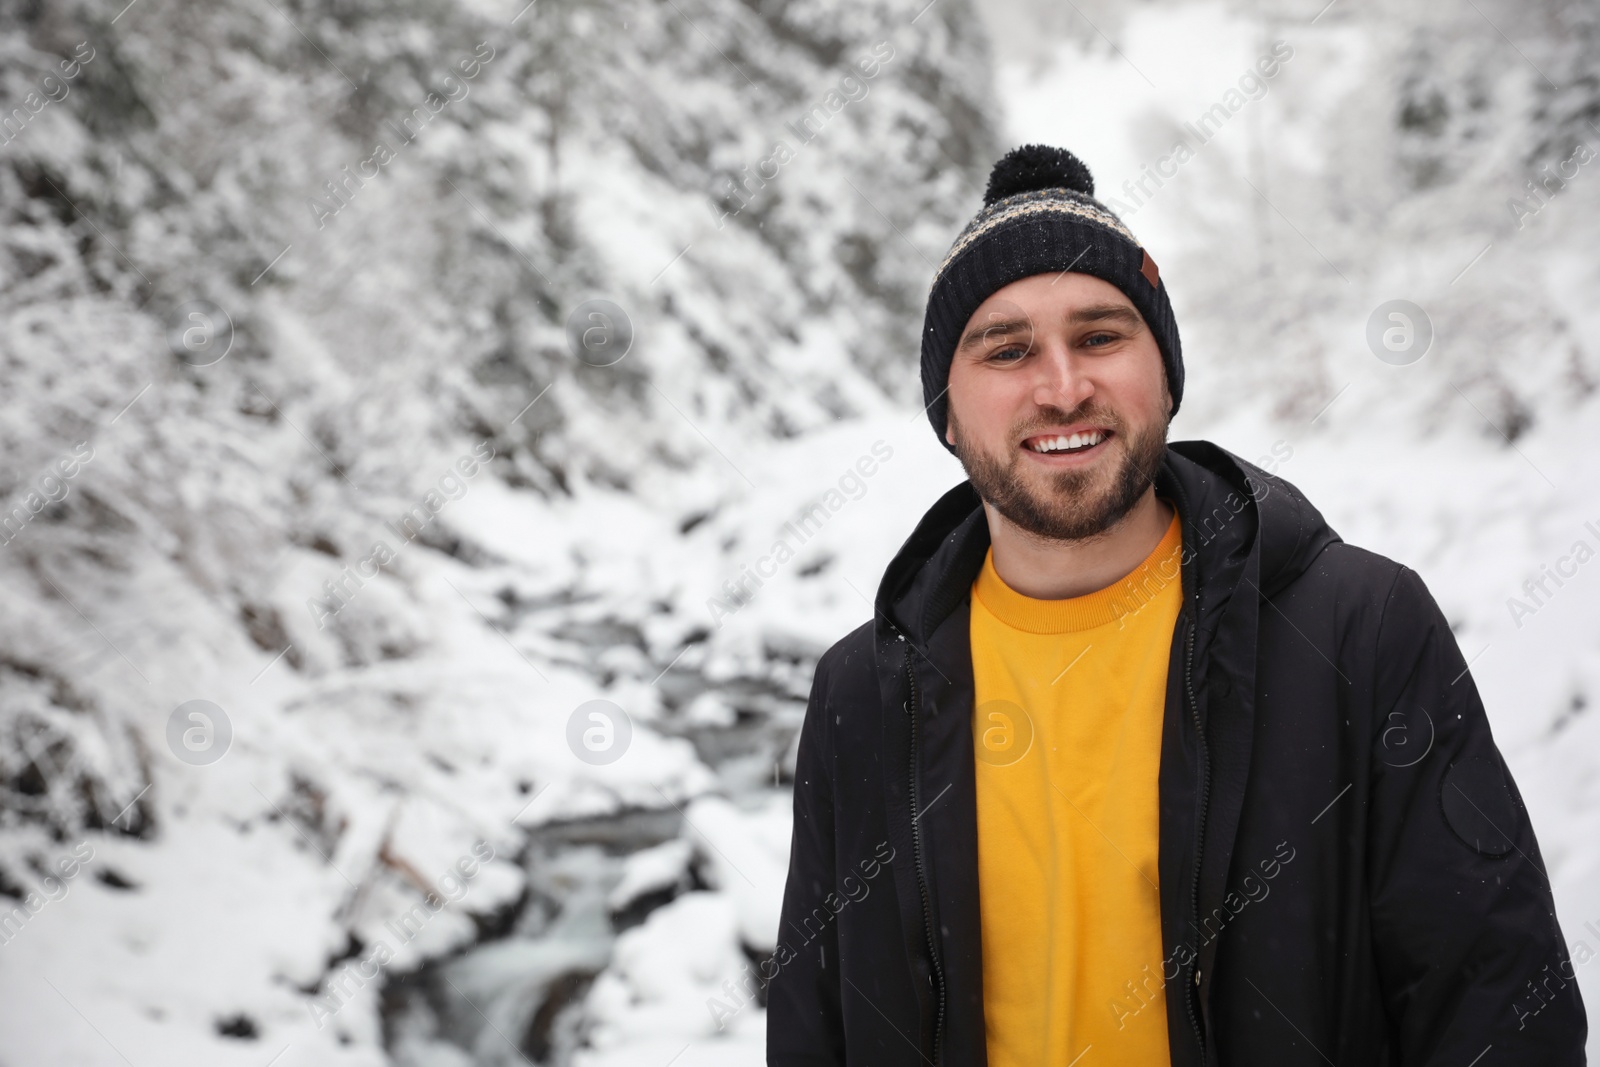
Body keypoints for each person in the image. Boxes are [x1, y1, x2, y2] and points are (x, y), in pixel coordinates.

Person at [765, 144, 1587, 1065]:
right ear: (947, 411)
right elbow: (813, 1026)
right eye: (1008, 349)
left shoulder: (1361, 631)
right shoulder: (862, 692)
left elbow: (1499, 1005)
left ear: (1165, 377)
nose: (1063, 386)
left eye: (1102, 335)